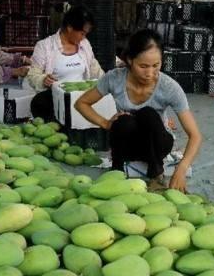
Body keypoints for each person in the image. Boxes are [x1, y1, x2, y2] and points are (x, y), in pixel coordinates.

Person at [75, 29, 202, 192]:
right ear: (129, 60)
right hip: (127, 146)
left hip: (158, 146)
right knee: (124, 121)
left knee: (148, 114)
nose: (150, 73)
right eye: (143, 66)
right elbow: (82, 103)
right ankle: (117, 170)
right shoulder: (115, 78)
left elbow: (195, 135)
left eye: (156, 65)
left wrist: (182, 169)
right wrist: (105, 123)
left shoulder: (169, 87)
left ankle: (156, 173)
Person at [27, 5, 104, 121]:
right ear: (69, 27)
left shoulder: (85, 44)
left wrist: (107, 83)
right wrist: (43, 79)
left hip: (82, 97)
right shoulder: (45, 46)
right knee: (40, 102)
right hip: (57, 98)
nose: (84, 37)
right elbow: (32, 75)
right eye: (82, 33)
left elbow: (94, 68)